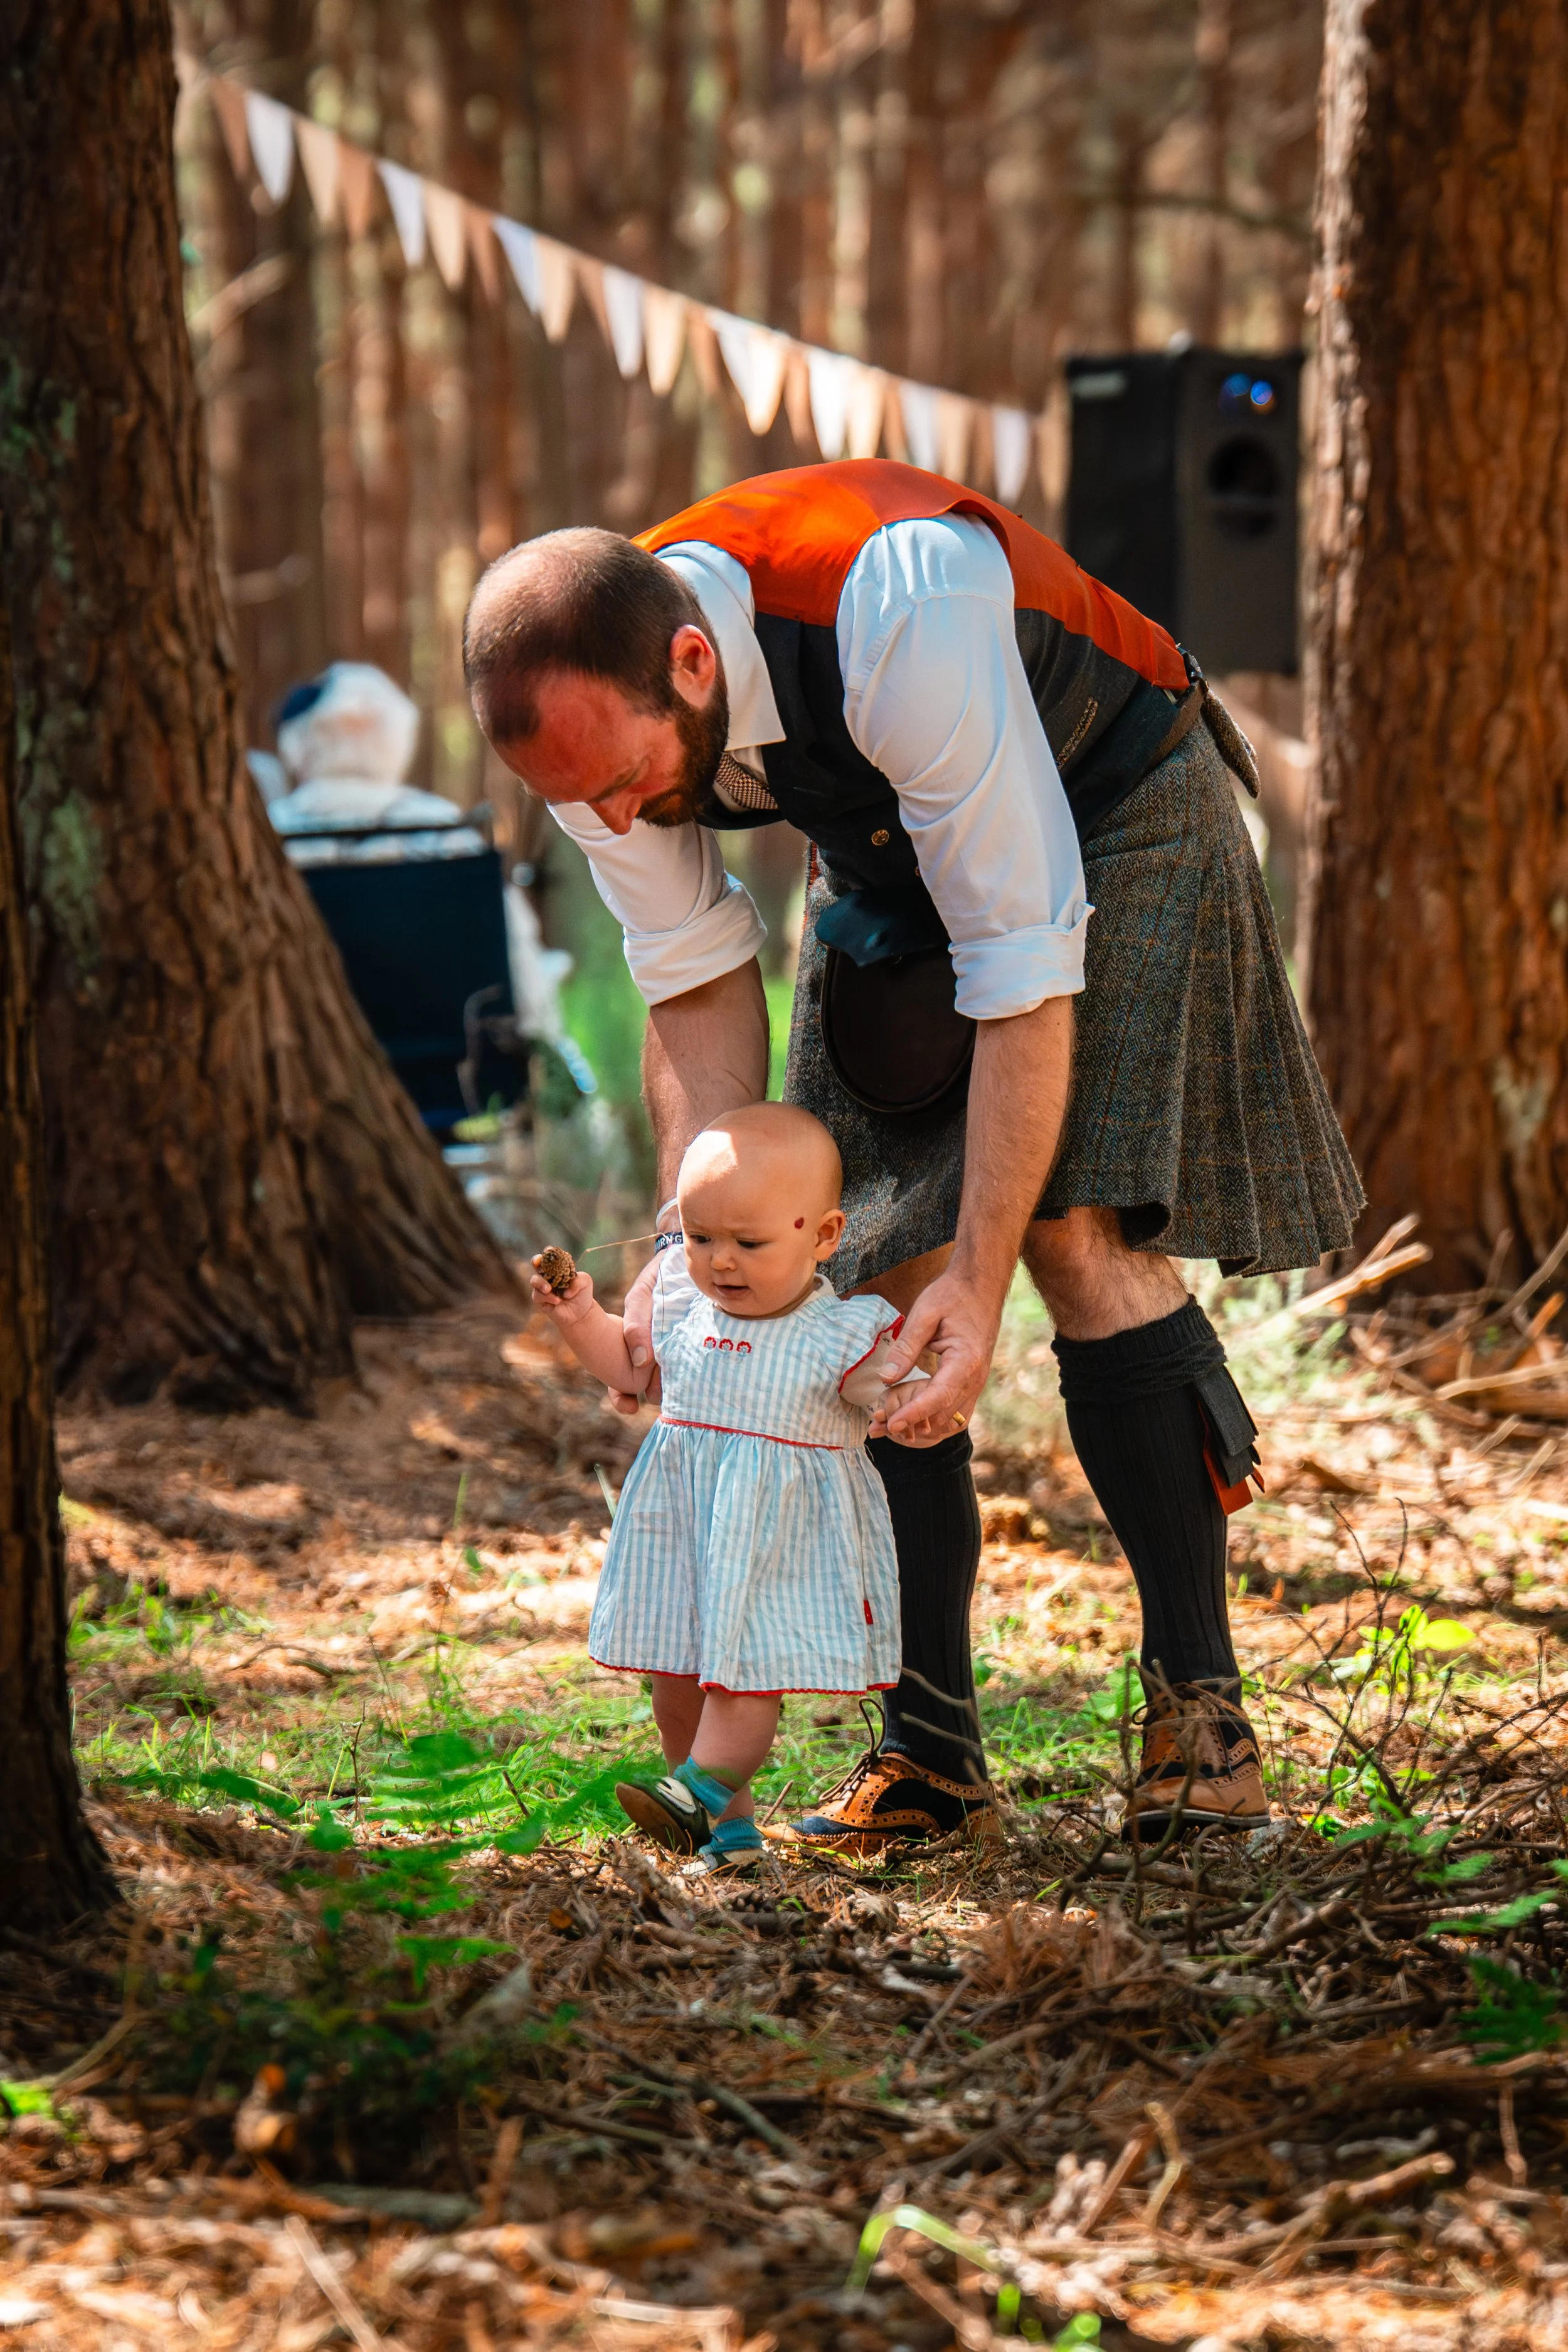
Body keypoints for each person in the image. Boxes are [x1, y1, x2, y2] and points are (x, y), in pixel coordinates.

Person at [466, 459, 1364, 1855]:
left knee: (1071, 1234)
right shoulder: (599, 731)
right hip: (887, 863)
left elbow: (1020, 960)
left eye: (634, 784)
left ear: (693, 665)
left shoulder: (898, 610)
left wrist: (984, 1271)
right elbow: (696, 980)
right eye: (590, 803)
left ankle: (1201, 1718)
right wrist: (685, 1244)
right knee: (855, 1282)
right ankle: (930, 1758)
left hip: (1112, 807)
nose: (624, 820)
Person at [528, 1102, 930, 1875]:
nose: (721, 1262)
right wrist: (580, 1316)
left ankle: (699, 1791)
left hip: (777, 1545)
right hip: (684, 1532)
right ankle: (730, 1838)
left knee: (742, 1680)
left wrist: (916, 1410)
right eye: (703, 1238)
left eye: (749, 1242)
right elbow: (630, 1371)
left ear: (824, 1235)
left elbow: (902, 1389)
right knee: (676, 1680)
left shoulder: (843, 1333)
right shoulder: (684, 1308)